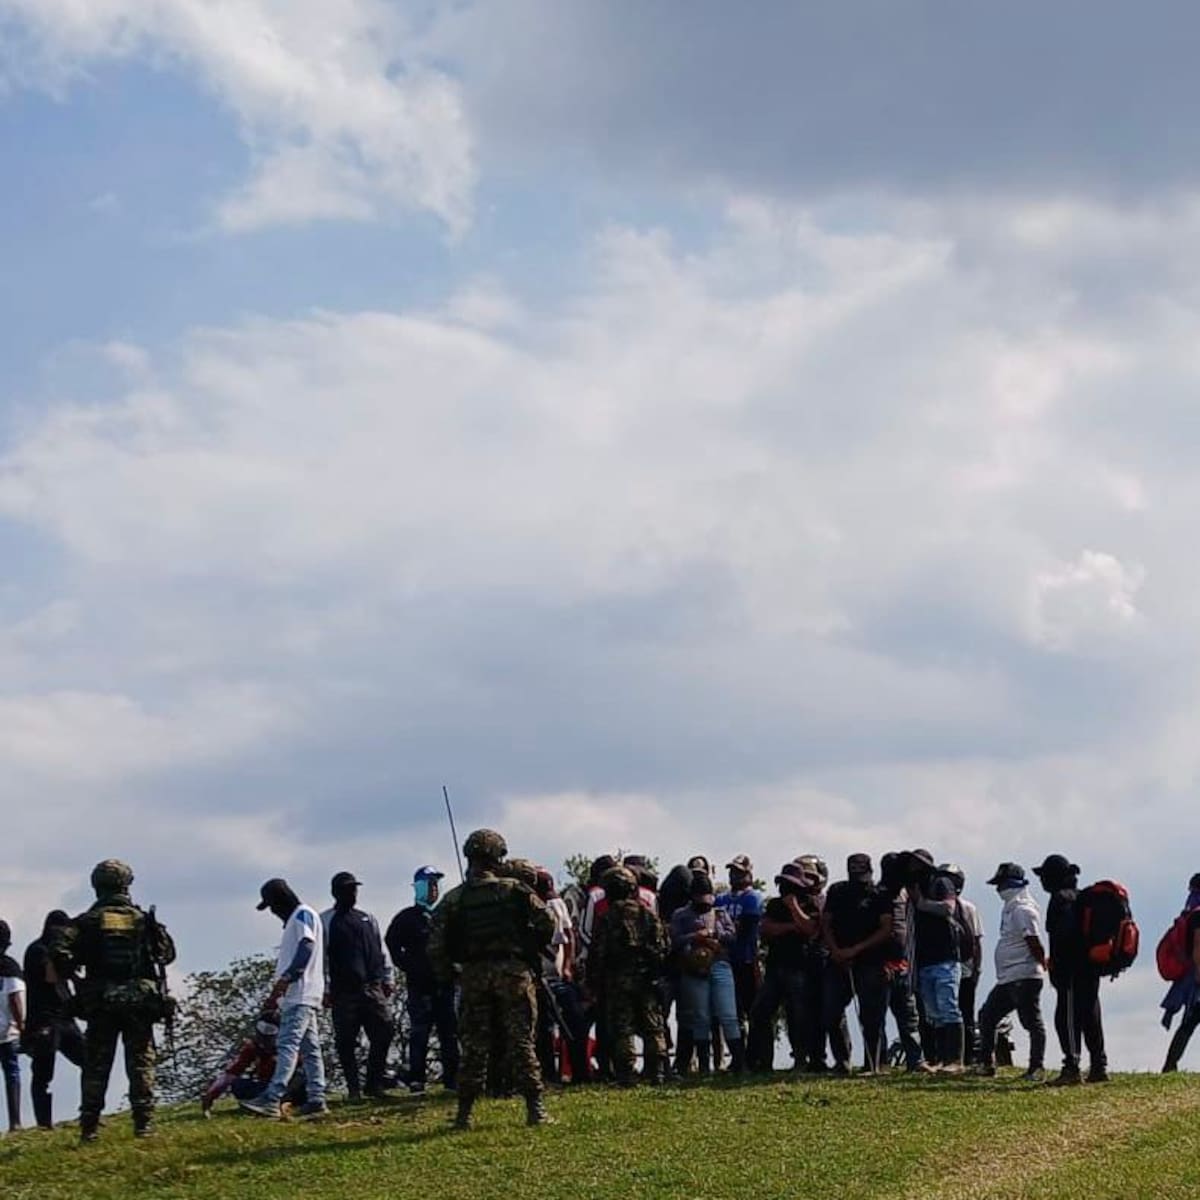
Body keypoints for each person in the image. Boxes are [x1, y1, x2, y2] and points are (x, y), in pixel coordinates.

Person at [429, 829, 555, 1129]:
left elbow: (435, 944)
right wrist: (529, 946)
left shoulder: (454, 899)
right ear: (498, 856)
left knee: (474, 1046)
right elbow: (546, 922)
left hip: (473, 976)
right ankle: (535, 1109)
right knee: (521, 1040)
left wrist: (450, 974)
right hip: (513, 974)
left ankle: (464, 1114)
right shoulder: (515, 890)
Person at [49, 860, 176, 1141]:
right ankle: (144, 1124)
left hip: (101, 1002)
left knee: (96, 1064)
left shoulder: (86, 922)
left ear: (97, 886)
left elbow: (59, 953)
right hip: (138, 1002)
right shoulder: (144, 920)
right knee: (141, 1062)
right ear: (126, 885)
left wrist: (77, 981)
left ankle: (90, 1127)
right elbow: (166, 954)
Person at [240, 878, 328, 1119]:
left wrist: (289, 976)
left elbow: (306, 946)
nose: (273, 912)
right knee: (310, 1049)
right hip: (302, 993)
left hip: (299, 992)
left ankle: (272, 1097)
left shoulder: (302, 915)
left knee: (287, 1044)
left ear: (280, 900)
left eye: (271, 906)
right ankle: (317, 1098)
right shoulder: (300, 917)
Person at [587, 867, 669, 1086]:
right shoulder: (647, 914)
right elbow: (662, 948)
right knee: (653, 1025)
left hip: (618, 979)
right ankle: (658, 1071)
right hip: (646, 978)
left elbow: (598, 952)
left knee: (623, 1028)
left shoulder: (607, 917)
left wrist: (593, 981)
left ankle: (627, 1074)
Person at [320, 871, 394, 1102]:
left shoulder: (367, 918)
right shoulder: (325, 920)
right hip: (343, 991)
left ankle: (374, 1083)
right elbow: (320, 957)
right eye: (346, 889)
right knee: (345, 1042)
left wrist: (387, 978)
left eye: (354, 888)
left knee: (384, 1032)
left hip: (372, 987)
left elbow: (380, 950)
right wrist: (324, 989)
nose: (352, 893)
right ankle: (353, 1090)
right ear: (335, 892)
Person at [1034, 854, 1107, 1085]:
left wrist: (1057, 961)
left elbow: (1063, 934)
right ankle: (1098, 1066)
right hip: (1091, 966)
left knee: (1066, 1016)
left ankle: (1072, 1067)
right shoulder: (1082, 898)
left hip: (1071, 969)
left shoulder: (1060, 898)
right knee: (1091, 1013)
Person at [386, 866, 459, 1095]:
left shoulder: (447, 915)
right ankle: (417, 1080)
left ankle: (452, 1080)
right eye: (430, 884)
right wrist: (408, 966)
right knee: (420, 1033)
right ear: (419, 887)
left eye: (436, 884)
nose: (434, 889)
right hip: (420, 987)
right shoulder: (406, 918)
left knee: (450, 1033)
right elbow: (391, 943)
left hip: (446, 984)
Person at [821, 854, 893, 1075]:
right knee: (831, 1010)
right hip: (839, 960)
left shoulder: (880, 894)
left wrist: (856, 949)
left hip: (871, 960)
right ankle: (842, 1060)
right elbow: (826, 923)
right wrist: (836, 951)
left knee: (871, 1015)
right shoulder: (837, 891)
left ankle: (875, 1063)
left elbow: (886, 928)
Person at [974, 863, 1046, 1080]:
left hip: (1023, 975)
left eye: (1001, 884)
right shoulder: (1011, 908)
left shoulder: (1023, 909)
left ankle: (1036, 1067)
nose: (998, 890)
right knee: (987, 1016)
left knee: (1031, 1022)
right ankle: (987, 1063)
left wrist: (1043, 962)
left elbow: (1033, 940)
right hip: (1008, 977)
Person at [748, 861, 820, 1071]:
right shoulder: (773, 905)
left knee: (798, 1016)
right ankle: (764, 1061)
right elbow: (766, 929)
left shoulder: (811, 904)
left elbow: (810, 929)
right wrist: (791, 927)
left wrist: (794, 907)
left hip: (800, 967)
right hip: (775, 967)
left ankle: (800, 1059)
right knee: (760, 1013)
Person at [669, 873, 743, 1074]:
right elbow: (674, 940)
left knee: (728, 1014)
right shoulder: (680, 915)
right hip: (693, 968)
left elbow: (732, 937)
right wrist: (695, 936)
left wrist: (713, 935)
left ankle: (738, 1061)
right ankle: (703, 1065)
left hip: (719, 964)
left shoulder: (720, 913)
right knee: (700, 1016)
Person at [22, 910, 86, 1129]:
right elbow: (50, 978)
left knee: (89, 1061)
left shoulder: (57, 951)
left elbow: (72, 979)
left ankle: (88, 1111)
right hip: (44, 1019)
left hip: (64, 1016)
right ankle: (44, 1123)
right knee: (43, 1072)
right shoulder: (37, 950)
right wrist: (56, 957)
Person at [908, 850, 966, 1072]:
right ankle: (942, 1059)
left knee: (949, 1007)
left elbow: (948, 907)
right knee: (934, 1013)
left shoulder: (941, 882)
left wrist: (922, 904)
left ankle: (955, 1060)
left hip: (945, 956)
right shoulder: (915, 887)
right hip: (924, 959)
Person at [535, 867, 589, 1084]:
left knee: (574, 1024)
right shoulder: (526, 907)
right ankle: (548, 1074)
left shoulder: (556, 904)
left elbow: (568, 936)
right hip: (538, 976)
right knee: (543, 1028)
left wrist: (567, 966)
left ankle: (580, 1073)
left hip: (558, 976)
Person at [201, 1010, 299, 1113]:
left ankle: (279, 1101)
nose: (264, 1035)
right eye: (262, 1028)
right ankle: (262, 1101)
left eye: (270, 1030)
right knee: (238, 1085)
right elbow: (233, 1071)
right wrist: (211, 1094)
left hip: (290, 1087)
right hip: (264, 1086)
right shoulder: (253, 1047)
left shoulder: (290, 1047)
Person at [716, 855, 764, 1035]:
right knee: (731, 1010)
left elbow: (745, 928)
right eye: (732, 871)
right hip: (724, 959)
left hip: (747, 958)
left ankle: (758, 1055)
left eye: (739, 872)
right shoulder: (720, 898)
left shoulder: (753, 897)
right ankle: (739, 1055)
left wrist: (724, 930)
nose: (734, 875)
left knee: (753, 1007)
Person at [940, 864, 983, 1065]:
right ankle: (946, 1055)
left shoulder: (968, 908)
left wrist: (976, 969)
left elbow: (976, 940)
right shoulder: (937, 906)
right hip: (946, 966)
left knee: (965, 1013)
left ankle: (966, 1057)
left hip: (965, 968)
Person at [1161, 873, 1200, 1072]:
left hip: (1189, 978)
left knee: (1189, 1022)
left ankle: (1170, 1064)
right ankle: (1170, 1064)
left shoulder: (1189, 913)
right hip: (1197, 978)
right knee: (1190, 1022)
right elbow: (1198, 946)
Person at [0, 920, 25, 1131]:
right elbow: (15, 999)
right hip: (6, 1031)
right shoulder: (9, 967)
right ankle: (15, 1122)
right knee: (12, 1074)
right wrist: (22, 1025)